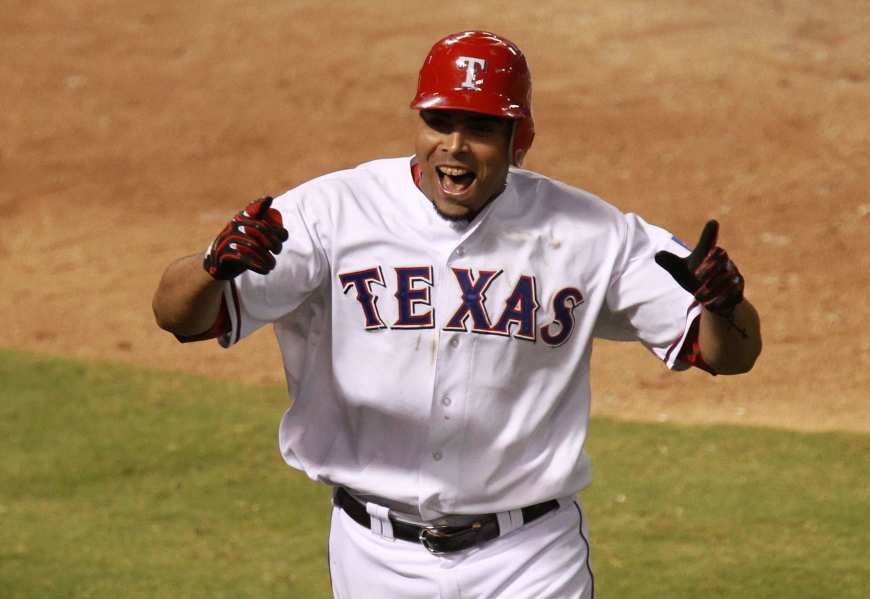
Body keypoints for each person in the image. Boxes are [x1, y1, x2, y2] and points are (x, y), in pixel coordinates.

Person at [153, 31, 761, 599]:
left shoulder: (590, 232)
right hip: (375, 556)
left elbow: (726, 355)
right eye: (439, 122)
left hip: (529, 559)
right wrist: (212, 266)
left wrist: (724, 306)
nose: (455, 146)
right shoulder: (330, 213)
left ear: (516, 139)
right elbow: (179, 317)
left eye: (481, 128)